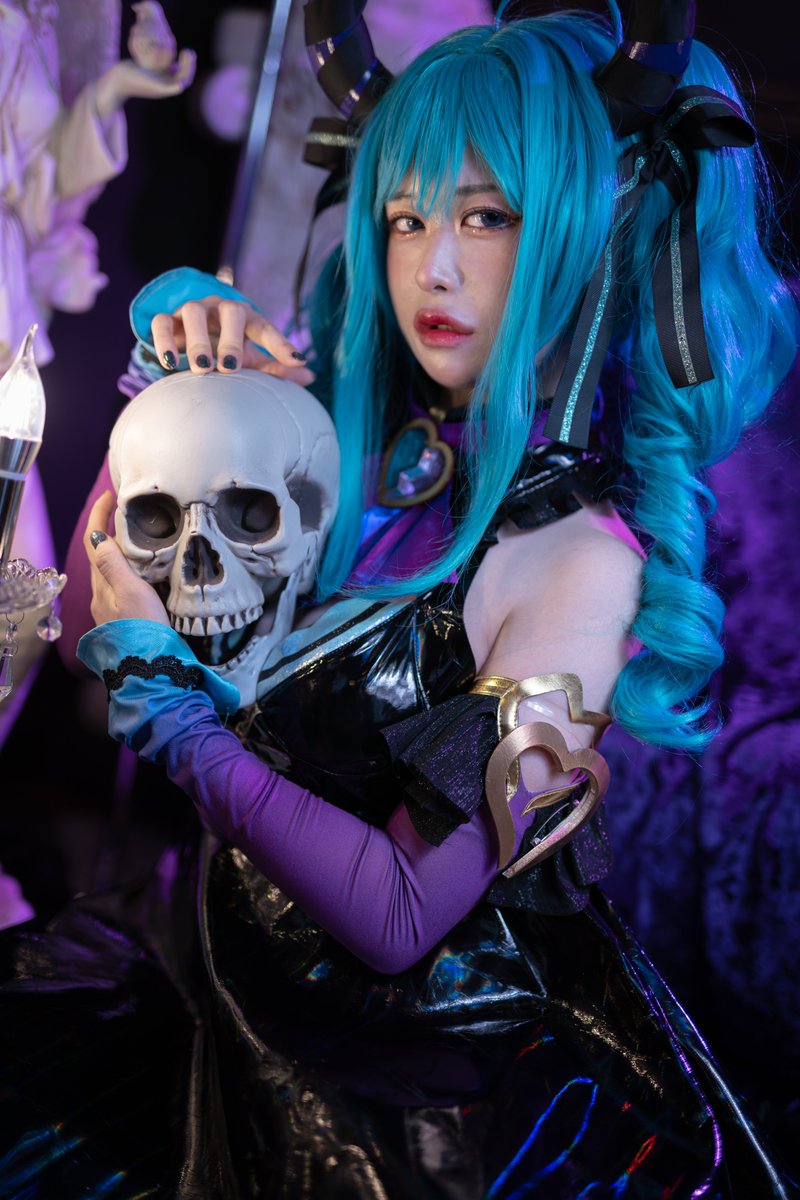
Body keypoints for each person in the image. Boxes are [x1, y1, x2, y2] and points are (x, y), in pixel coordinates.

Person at [2, 7, 797, 1199]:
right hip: (212, 950)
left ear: (594, 221)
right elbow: (84, 636)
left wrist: (181, 726)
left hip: (398, 1075)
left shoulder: (579, 562)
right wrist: (169, 415)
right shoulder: (367, 442)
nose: (431, 266)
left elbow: (398, 915)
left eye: (484, 216)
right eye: (406, 216)